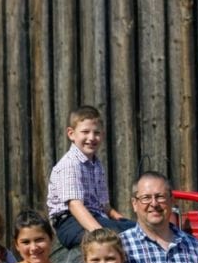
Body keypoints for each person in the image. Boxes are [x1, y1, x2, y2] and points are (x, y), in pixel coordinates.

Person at [47, 105, 134, 249]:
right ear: (71, 134)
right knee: (118, 238)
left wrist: (121, 219)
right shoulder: (70, 164)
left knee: (137, 230)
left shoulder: (96, 165)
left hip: (96, 216)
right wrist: (98, 233)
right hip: (70, 221)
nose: (91, 138)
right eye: (85, 132)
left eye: (97, 133)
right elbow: (75, 205)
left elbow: (105, 206)